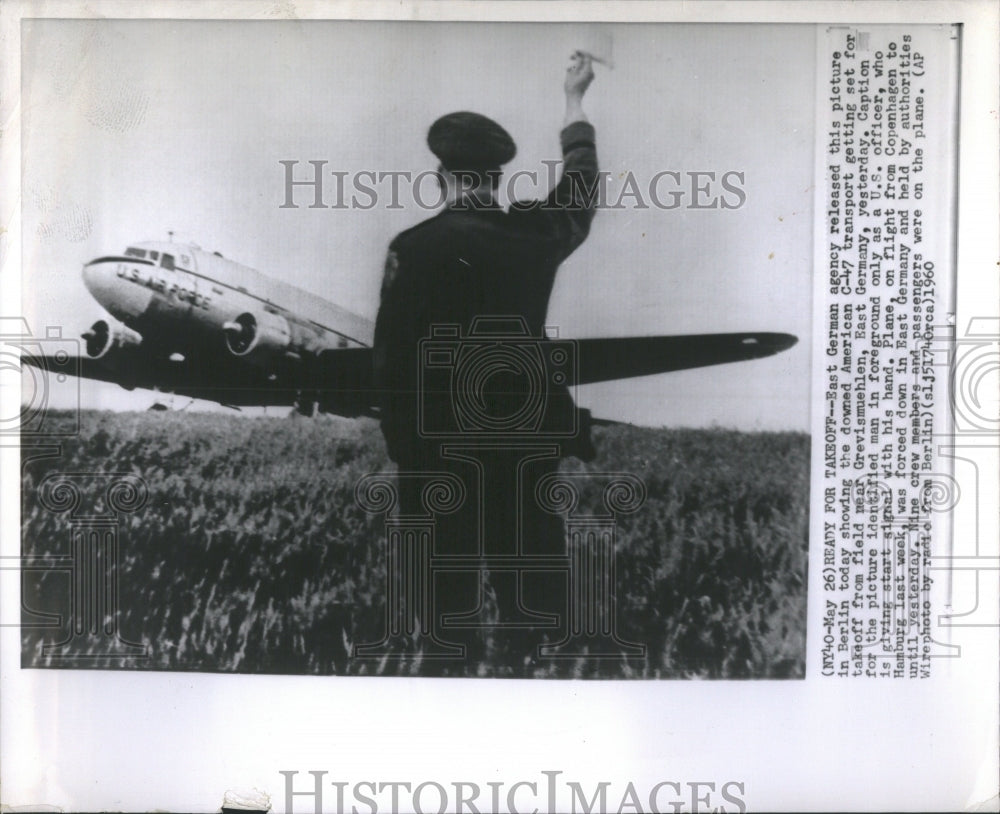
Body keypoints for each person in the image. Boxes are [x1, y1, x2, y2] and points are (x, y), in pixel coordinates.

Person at [372, 51, 599, 673]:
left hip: (436, 447)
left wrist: (407, 452)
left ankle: (451, 676)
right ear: (499, 177)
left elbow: (390, 363)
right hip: (523, 441)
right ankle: (531, 670)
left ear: (441, 175)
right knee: (530, 582)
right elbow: (580, 192)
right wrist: (575, 104)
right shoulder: (534, 235)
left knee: (444, 597)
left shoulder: (413, 249)